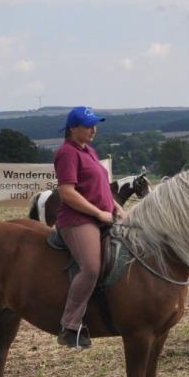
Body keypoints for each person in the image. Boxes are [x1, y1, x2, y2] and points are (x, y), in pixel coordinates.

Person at [53, 106, 125, 350]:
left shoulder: (89, 150)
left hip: (102, 216)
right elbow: (67, 192)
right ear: (73, 128)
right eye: (88, 126)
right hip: (78, 220)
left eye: (95, 125)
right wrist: (98, 213)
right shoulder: (67, 153)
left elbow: (100, 187)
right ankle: (70, 325)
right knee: (91, 268)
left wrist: (116, 206)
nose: (94, 130)